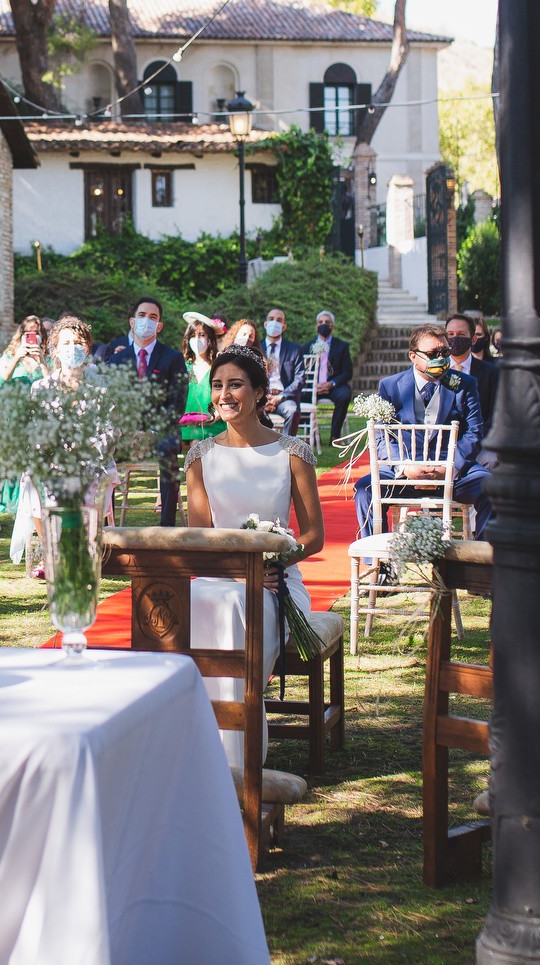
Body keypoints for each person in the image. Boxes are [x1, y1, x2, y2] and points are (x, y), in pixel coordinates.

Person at [185, 346, 326, 767]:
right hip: (217, 577)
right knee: (196, 601)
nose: (224, 394)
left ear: (260, 392)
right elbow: (198, 540)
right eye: (217, 385)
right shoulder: (200, 457)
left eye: (236, 384)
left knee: (236, 606)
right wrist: (237, 570)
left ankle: (236, 754)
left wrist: (273, 562)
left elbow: (314, 536)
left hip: (275, 582)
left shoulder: (292, 453)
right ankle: (194, 744)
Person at [354, 322, 492, 536]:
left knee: (492, 488)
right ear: (413, 356)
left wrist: (450, 467)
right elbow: (382, 437)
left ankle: (483, 555)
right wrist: (404, 467)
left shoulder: (464, 384)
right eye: (433, 354)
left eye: (445, 352)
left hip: (453, 474)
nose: (441, 359)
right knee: (365, 491)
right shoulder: (391, 386)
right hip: (404, 474)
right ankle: (377, 555)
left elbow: (473, 433)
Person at [11, 316, 97, 565]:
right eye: (66, 343)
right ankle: (51, 550)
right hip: (53, 460)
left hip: (88, 460)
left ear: (87, 348)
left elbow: (108, 430)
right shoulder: (41, 387)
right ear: (55, 349)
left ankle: (78, 547)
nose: (72, 348)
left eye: (78, 342)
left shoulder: (98, 386)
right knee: (31, 479)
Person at [100, 297, 192, 524]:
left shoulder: (173, 358)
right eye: (142, 315)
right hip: (125, 433)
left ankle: (167, 525)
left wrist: (153, 431)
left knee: (168, 451)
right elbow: (111, 402)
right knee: (102, 451)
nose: (146, 321)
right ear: (132, 322)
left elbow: (177, 402)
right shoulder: (117, 360)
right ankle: (107, 525)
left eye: (153, 317)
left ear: (159, 326)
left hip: (161, 431)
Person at [179, 313, 229, 444]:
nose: (197, 340)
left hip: (213, 427)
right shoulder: (183, 367)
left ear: (209, 339)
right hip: (185, 428)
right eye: (193, 336)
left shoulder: (218, 367)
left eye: (201, 335)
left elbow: (226, 396)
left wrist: (215, 416)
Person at [255, 308, 307, 429]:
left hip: (284, 397)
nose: (274, 322)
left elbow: (300, 379)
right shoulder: (257, 348)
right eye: (271, 319)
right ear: (265, 324)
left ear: (284, 326)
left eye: (279, 320)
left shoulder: (294, 349)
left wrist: (280, 397)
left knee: (292, 410)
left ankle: (286, 442)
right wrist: (262, 397)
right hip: (260, 397)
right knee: (249, 410)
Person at [308, 309, 355, 442]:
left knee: (344, 395)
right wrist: (314, 385)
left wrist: (331, 383)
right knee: (299, 395)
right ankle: (310, 434)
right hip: (314, 387)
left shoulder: (342, 346)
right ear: (316, 326)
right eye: (320, 322)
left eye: (327, 322)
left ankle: (335, 435)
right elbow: (303, 371)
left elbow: (347, 372)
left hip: (334, 386)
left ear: (332, 326)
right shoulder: (307, 346)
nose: (324, 325)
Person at [0, 315, 51, 386]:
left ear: (42, 336)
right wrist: (16, 358)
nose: (33, 336)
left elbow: (52, 384)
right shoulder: (9, 356)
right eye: (28, 333)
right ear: (21, 335)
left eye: (36, 333)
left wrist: (42, 362)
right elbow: (1, 381)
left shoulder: (49, 358)